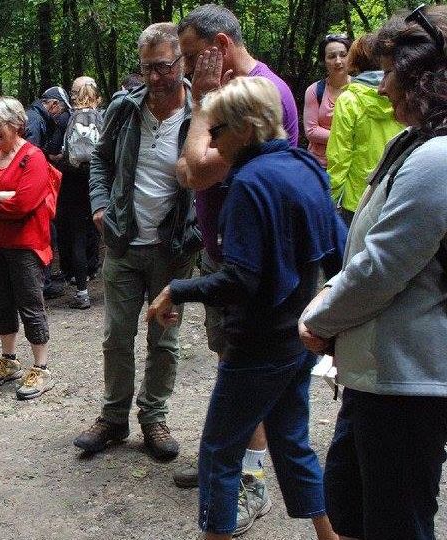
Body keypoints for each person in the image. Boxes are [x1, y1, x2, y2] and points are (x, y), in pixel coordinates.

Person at [148, 76, 344, 540]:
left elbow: (241, 280)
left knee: (219, 450)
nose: (209, 141)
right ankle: (329, 534)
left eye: (216, 131)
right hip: (299, 338)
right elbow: (339, 250)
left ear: (244, 128)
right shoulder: (305, 166)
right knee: (292, 442)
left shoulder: (250, 185)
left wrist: (177, 289)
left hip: (258, 346)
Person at [300, 7, 447, 538]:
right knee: (349, 502)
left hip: (408, 382)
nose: (382, 90)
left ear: (427, 79)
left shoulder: (438, 159)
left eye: (392, 74)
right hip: (377, 377)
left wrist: (319, 318)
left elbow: (382, 268)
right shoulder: (413, 145)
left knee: (398, 522)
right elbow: (368, 250)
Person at [172, 5, 300, 517]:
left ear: (218, 46)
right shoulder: (227, 97)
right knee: (230, 359)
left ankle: (250, 480)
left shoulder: (261, 97)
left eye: (188, 56)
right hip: (222, 254)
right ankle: (229, 460)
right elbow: (189, 168)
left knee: (247, 369)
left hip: (250, 266)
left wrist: (202, 107)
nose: (183, 69)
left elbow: (194, 172)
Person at [74, 23, 199, 460]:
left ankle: (154, 416)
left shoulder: (201, 113)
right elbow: (99, 163)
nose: (154, 78)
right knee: (116, 336)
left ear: (181, 62)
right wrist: (98, 206)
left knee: (164, 339)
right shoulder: (124, 110)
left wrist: (198, 228)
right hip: (124, 242)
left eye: (163, 67)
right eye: (147, 68)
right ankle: (113, 417)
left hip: (173, 247)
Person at [0, 96, 57, 400]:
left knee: (30, 304)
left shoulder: (34, 157)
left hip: (25, 244)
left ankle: (41, 367)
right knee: (1, 303)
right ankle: (9, 359)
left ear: (17, 123)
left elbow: (24, 204)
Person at [326, 33, 404, 226]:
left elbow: (339, 157)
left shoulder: (348, 100)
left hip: (357, 201)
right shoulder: (402, 94)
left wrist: (331, 200)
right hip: (395, 195)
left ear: (356, 61)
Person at [57, 76, 103, 310]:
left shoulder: (67, 117)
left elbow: (59, 150)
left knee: (76, 235)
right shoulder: (103, 115)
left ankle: (81, 291)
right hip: (98, 180)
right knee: (102, 227)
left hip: (73, 182)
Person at [26, 86, 70, 300]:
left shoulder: (33, 116)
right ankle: (42, 283)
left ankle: (43, 280)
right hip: (35, 192)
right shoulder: (34, 120)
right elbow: (28, 155)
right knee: (45, 233)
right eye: (60, 110)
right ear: (52, 104)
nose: (60, 115)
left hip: (35, 189)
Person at [303, 34, 352, 167]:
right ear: (324, 61)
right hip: (319, 165)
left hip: (350, 164)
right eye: (331, 56)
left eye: (343, 55)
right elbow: (311, 131)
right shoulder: (314, 91)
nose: (338, 61)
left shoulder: (360, 89)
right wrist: (348, 137)